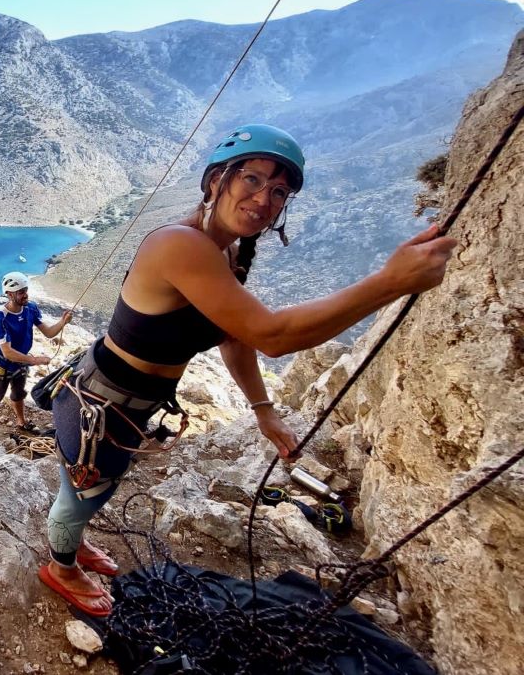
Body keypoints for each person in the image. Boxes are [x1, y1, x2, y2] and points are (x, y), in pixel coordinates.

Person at [38, 123, 458, 616]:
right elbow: (272, 336)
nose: (265, 198)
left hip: (122, 403)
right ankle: (60, 566)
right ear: (217, 181)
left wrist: (263, 410)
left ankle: (75, 542)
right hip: (101, 402)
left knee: (98, 486)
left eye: (279, 191)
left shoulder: (223, 252)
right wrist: (389, 282)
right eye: (253, 180)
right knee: (82, 494)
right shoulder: (179, 244)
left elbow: (234, 336)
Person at [0, 271, 73, 430]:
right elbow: (7, 352)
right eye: (21, 292)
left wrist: (62, 322)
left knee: (18, 393)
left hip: (21, 362)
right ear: (9, 294)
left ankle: (21, 422)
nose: (26, 295)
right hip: (3, 365)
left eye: (26, 290)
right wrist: (35, 360)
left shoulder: (30, 308)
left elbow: (48, 332)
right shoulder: (0, 318)